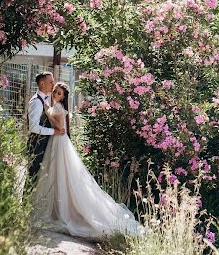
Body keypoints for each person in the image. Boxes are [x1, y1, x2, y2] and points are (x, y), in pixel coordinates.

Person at [32, 82, 141, 240]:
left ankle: (62, 211)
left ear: (63, 97)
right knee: (56, 172)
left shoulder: (58, 108)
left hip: (59, 141)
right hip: (57, 141)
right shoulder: (56, 106)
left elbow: (60, 128)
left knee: (60, 171)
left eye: (59, 93)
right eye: (55, 91)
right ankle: (56, 207)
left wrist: (49, 115)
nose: (55, 94)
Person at [26, 72, 65, 190]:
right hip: (36, 144)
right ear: (42, 84)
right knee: (33, 175)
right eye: (50, 82)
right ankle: (25, 204)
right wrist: (54, 132)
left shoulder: (46, 99)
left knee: (40, 177)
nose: (53, 84)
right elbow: (33, 127)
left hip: (43, 143)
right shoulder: (37, 102)